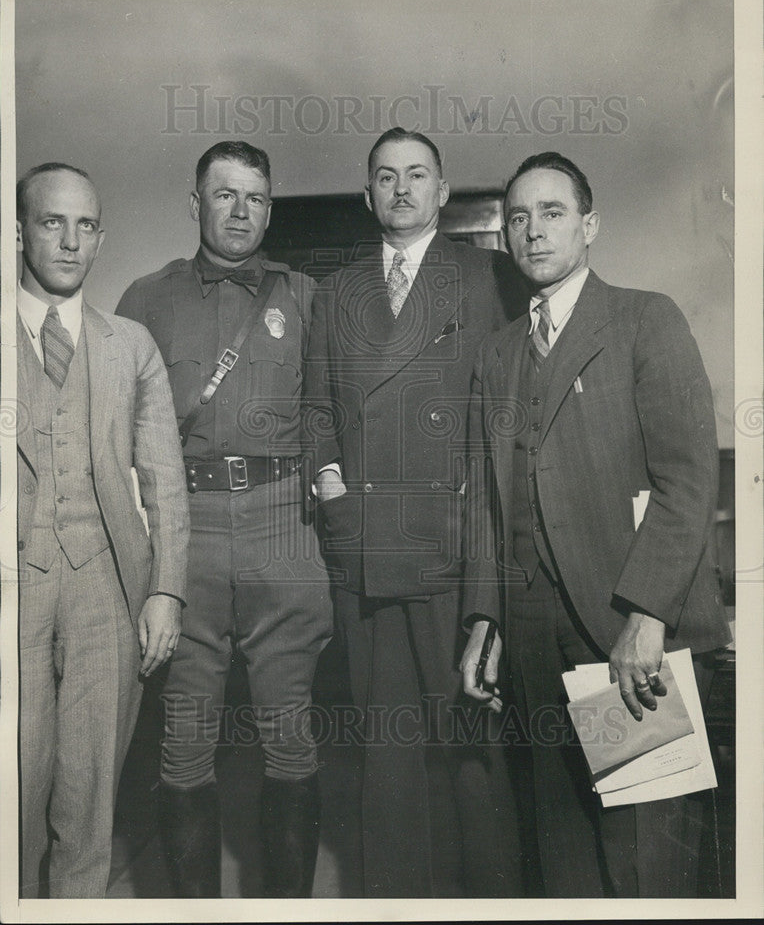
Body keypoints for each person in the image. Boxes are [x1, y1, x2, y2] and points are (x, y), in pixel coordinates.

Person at [461, 151, 731, 898]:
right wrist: (485, 619)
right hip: (531, 638)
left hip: (622, 634)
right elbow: (489, 498)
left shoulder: (646, 319)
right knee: (560, 861)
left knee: (642, 856)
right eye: (518, 217)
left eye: (551, 213)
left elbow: (686, 482)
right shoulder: (497, 355)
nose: (533, 231)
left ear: (590, 225)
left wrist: (647, 615)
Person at [302, 128, 527, 898]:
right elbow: (316, 411)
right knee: (387, 757)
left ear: (442, 190)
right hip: (366, 550)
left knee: (471, 753)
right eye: (386, 177)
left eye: (417, 175)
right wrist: (331, 489)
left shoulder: (494, 277)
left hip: (460, 554)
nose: (401, 189)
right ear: (368, 195)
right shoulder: (334, 293)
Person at [116, 141, 332, 898]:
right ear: (196, 204)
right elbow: (123, 435)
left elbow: (327, 415)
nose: (241, 212)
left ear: (271, 208)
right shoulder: (146, 299)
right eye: (225, 195)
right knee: (183, 744)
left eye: (257, 198)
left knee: (291, 741)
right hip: (188, 530)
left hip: (284, 525)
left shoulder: (306, 297)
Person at [16, 163, 189, 898]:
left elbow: (164, 479)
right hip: (11, 595)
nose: (70, 240)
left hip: (108, 598)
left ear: (100, 238)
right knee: (13, 803)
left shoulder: (131, 344)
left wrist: (167, 592)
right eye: (53, 222)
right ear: (20, 230)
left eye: (85, 225)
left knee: (90, 810)